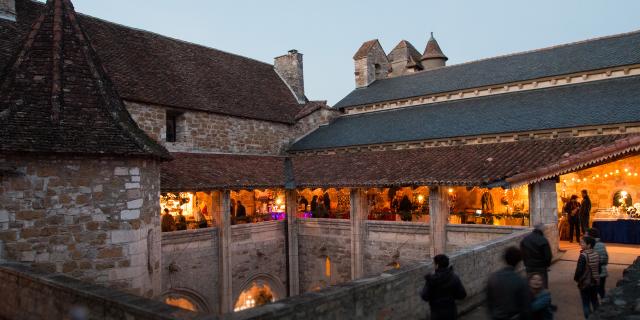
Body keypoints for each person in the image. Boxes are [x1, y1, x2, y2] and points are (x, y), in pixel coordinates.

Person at [487, 246, 532, 320]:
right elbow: (526, 308)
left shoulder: (493, 277)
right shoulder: (521, 281)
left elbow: (490, 303)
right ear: (518, 262)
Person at [420, 254, 467, 320]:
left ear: (437, 265)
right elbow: (462, 294)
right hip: (451, 313)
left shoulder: (432, 279)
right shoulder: (454, 277)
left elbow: (424, 296)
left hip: (437, 314)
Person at [574, 236, 600, 319]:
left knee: (586, 304)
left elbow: (579, 271)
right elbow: (598, 268)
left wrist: (577, 279)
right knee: (595, 301)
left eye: (582, 243)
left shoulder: (583, 256)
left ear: (589, 245)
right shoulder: (596, 254)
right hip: (595, 282)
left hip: (586, 283)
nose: (580, 244)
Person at [520, 224, 552, 288]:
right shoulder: (543, 240)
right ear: (542, 230)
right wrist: (546, 265)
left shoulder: (525, 239)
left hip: (529, 266)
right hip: (541, 267)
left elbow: (522, 253)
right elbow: (548, 256)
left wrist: (526, 263)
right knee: (542, 285)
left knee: (530, 284)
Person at [588, 228, 609, 298]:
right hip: (603, 272)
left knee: (593, 293)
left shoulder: (589, 246)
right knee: (601, 290)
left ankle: (596, 306)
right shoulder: (602, 245)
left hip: (593, 273)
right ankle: (604, 304)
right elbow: (606, 259)